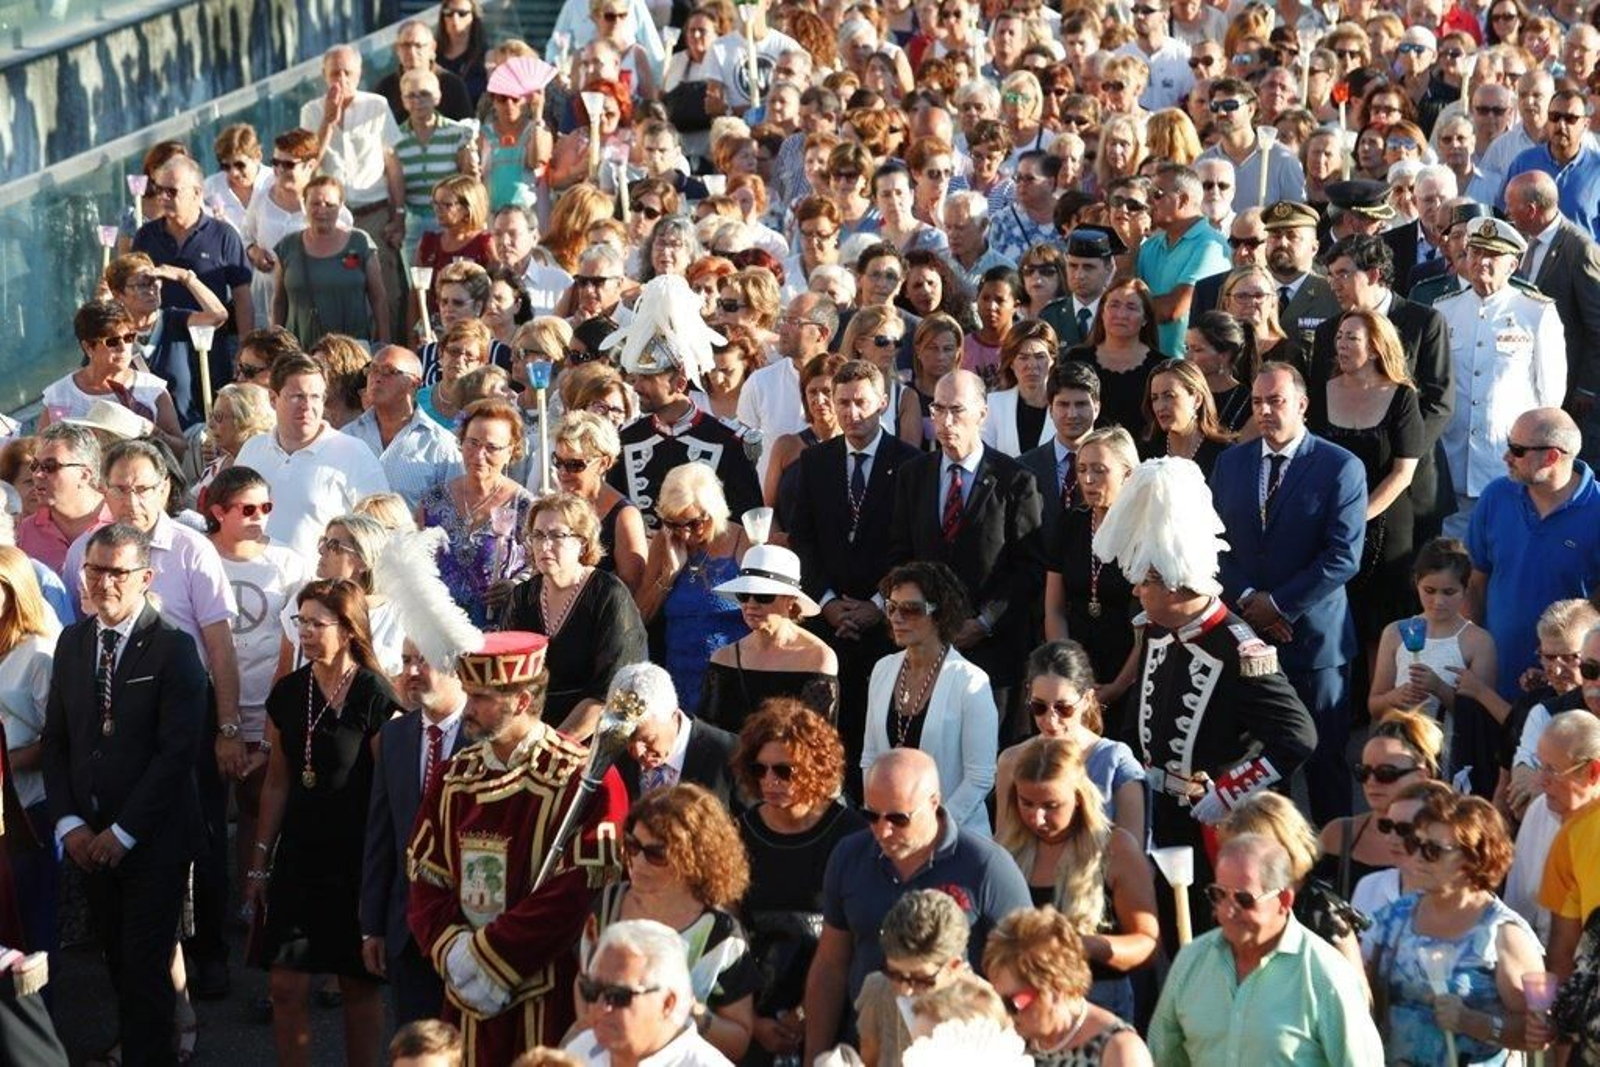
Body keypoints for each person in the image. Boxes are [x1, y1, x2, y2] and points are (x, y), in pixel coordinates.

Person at [406, 626, 627, 1064]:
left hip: (546, 989)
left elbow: (579, 891)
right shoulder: (455, 776)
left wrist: (493, 955)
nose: (467, 708)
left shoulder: (583, 778)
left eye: (482, 697)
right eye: (467, 693)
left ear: (522, 701)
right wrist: (455, 950)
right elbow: (425, 872)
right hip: (464, 985)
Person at [41, 524, 209, 1067]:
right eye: (95, 570)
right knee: (115, 962)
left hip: (152, 839)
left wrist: (122, 833)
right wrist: (72, 825)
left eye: (117, 572)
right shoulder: (73, 641)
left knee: (144, 969)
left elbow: (175, 756)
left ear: (145, 577)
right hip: (90, 839)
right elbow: (57, 742)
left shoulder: (175, 648)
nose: (104, 583)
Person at [245, 578, 400, 1064]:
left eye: (317, 623)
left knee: (359, 987)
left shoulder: (376, 696)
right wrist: (258, 861)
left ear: (349, 629)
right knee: (285, 985)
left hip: (357, 859)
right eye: (300, 621)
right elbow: (276, 783)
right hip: (300, 856)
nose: (305, 632)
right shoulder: (289, 693)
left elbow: (389, 792)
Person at [800, 749, 1032, 1062]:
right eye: (871, 815)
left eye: (898, 818)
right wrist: (814, 1055)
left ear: (934, 803)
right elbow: (830, 964)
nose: (883, 830)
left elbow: (1028, 973)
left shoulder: (986, 867)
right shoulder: (849, 855)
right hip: (870, 1044)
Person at [1210, 363, 1367, 824]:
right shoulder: (1232, 462)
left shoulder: (1340, 466)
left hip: (1316, 644)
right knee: (1261, 769)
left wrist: (1278, 605)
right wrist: (1248, 601)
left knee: (1325, 763)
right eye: (1257, 402)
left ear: (1301, 404)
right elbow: (1215, 544)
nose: (1264, 411)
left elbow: (1343, 555)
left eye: (1275, 401)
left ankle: (1335, 877)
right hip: (1249, 639)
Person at [785, 359, 921, 776]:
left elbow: (915, 545)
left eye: (861, 402)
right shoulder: (814, 462)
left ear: (882, 402)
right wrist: (825, 602)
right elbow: (801, 540)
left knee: (881, 735)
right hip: (828, 624)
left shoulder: (911, 463)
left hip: (886, 627)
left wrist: (879, 604)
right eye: (842, 402)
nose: (851, 412)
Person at [888, 370, 1044, 725]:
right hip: (926, 646)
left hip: (993, 654)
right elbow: (900, 555)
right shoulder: (913, 475)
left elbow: (1029, 569)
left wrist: (985, 621)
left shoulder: (1016, 481)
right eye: (937, 410)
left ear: (983, 415)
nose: (945, 422)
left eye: (956, 410)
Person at [1149, 834, 1385, 1065]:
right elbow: (1162, 1055)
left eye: (1244, 900)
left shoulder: (1326, 976)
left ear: (1283, 900)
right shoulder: (1192, 960)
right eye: (1218, 894)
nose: (1228, 911)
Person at [576, 783, 758, 1061]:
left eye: (656, 854)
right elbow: (582, 983)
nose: (637, 862)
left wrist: (688, 1012)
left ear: (693, 859)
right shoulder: (608, 904)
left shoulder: (722, 936)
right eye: (633, 846)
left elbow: (738, 1039)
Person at [1364, 791, 1548, 1063]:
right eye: (1415, 843)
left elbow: (1536, 1033)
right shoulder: (1395, 916)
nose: (1417, 857)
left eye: (1432, 851)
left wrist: (1471, 1021)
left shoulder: (1503, 933)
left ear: (1473, 858)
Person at [731, 702, 866, 1065]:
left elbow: (859, 936)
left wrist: (807, 1014)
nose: (770, 781)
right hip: (755, 1009)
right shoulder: (741, 834)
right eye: (760, 769)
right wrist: (752, 1022)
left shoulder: (851, 835)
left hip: (837, 1011)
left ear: (814, 768)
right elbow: (727, 935)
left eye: (785, 770)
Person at [996, 736, 1158, 1020]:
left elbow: (1147, 944)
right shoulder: (1005, 849)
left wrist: (1086, 945)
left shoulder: (1114, 849)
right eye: (1027, 803)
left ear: (1080, 798)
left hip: (1095, 1005)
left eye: (1051, 805)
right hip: (1019, 1007)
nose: (1037, 817)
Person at [361, 639, 470, 1028]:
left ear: (457, 666)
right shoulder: (394, 736)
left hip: (471, 935)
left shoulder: (487, 736)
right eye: (406, 661)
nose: (409, 672)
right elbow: (380, 835)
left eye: (422, 661)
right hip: (406, 932)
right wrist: (371, 925)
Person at [1437, 218, 1567, 536]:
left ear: (1513, 263)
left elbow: (1550, 398)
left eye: (1492, 255)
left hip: (1507, 462)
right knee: (1453, 567)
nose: (1481, 261)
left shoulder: (1536, 312)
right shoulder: (1444, 311)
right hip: (1452, 462)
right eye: (1475, 252)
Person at [1307, 309, 1426, 646]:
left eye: (1352, 338)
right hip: (1327, 522)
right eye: (1339, 337)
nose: (1341, 345)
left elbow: (1403, 473)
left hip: (1386, 524)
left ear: (1374, 347)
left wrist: (1356, 518)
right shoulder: (1320, 392)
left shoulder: (1402, 396)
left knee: (1382, 626)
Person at [606, 277, 762, 529]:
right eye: (635, 377)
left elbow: (745, 525)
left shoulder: (728, 442)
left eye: (647, 378)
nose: (635, 387)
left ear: (679, 380)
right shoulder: (627, 440)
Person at [861, 561, 998, 832]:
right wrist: (882, 818)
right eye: (891, 608)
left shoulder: (970, 681)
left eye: (911, 609)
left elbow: (980, 778)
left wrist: (932, 827)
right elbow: (870, 758)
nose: (897, 617)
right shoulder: (883, 669)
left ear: (940, 614)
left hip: (957, 839)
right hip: (890, 834)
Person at [498, 492, 647, 738]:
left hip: (596, 735)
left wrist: (554, 747)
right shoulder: (522, 597)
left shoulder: (608, 595)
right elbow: (505, 680)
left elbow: (612, 689)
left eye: (557, 536)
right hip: (529, 733)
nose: (544, 545)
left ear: (583, 543)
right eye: (537, 535)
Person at [235, 354, 390, 561]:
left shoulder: (355, 453)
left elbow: (381, 533)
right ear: (273, 399)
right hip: (256, 586)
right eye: (297, 396)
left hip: (320, 589)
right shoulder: (252, 450)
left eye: (315, 396)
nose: (307, 406)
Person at [133, 154, 254, 415]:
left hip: (211, 347)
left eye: (172, 191)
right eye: (159, 190)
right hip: (161, 349)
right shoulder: (146, 236)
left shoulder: (223, 236)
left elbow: (243, 298)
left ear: (197, 193)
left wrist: (244, 352)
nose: (163, 197)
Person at [300, 45, 405, 341]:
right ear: (324, 75)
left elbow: (392, 165)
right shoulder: (312, 111)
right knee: (338, 294)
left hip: (374, 212)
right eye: (335, 73)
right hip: (331, 217)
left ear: (359, 75)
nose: (342, 79)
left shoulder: (377, 106)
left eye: (348, 73)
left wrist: (398, 216)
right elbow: (309, 163)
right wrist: (328, 121)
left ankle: (387, 350)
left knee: (386, 293)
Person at [417, 398, 536, 628]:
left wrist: (517, 586)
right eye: (472, 443)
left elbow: (541, 565)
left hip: (497, 633)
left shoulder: (525, 507)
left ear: (511, 451)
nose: (479, 455)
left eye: (491, 447)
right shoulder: (433, 501)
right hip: (440, 629)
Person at [984, 906, 1154, 1066]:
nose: (1004, 1013)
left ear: (1056, 988)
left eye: (1013, 1004)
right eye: (997, 999)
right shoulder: (1010, 1040)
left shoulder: (1119, 1050)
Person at [1505, 171, 1600, 455]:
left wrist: (1588, 386)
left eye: (1511, 205)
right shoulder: (1522, 240)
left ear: (1531, 210)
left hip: (1570, 389)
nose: (1506, 210)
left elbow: (1598, 325)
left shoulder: (1579, 249)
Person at [1042, 427, 1140, 700]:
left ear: (1128, 474)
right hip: (1074, 668)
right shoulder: (1071, 523)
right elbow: (1054, 609)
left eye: (1099, 470)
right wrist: (1070, 672)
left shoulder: (1144, 531)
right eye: (1082, 469)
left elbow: (1151, 625)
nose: (1088, 479)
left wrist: (1118, 687)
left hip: (1128, 671)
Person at [698, 542, 838, 729]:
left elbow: (817, 741)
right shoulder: (724, 658)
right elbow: (707, 734)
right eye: (744, 595)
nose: (751, 604)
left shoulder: (817, 657)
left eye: (764, 596)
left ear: (790, 600)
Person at [564, 919, 734, 1067]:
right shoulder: (580, 1051)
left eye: (618, 996)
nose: (600, 1008)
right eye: (592, 991)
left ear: (667, 1003)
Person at [0, 546, 59, 962]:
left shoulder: (39, 653)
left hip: (26, 810)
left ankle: (37, 1021)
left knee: (30, 925)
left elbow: (58, 740)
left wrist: (7, 763)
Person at [102, 252, 231, 431]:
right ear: (118, 294)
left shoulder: (174, 320)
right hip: (134, 439)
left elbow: (218, 315)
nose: (151, 290)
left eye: (155, 281)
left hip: (184, 434)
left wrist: (185, 277)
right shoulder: (111, 336)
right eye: (141, 285)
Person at [40, 299, 185, 457]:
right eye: (113, 341)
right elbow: (41, 451)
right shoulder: (61, 396)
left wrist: (152, 431)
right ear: (88, 347)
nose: (123, 348)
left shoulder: (152, 390)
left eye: (129, 337)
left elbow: (180, 450)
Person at [853, 890, 974, 1067]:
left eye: (921, 980)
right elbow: (868, 1058)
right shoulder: (878, 989)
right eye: (894, 974)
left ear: (953, 966)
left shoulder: (980, 1012)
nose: (905, 990)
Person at [344, 346, 464, 510]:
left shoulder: (440, 445)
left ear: (414, 382)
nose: (377, 377)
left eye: (389, 371)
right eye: (373, 369)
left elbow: (455, 511)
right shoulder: (347, 436)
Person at [1136, 162, 1231, 358]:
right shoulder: (1150, 246)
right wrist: (1130, 243)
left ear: (1183, 199)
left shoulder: (1211, 246)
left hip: (1189, 369)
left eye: (1157, 194)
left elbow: (1174, 308)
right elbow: (1125, 292)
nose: (1149, 202)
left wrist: (1129, 308)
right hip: (1146, 363)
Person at [609, 663, 736, 806]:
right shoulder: (613, 756)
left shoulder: (729, 754)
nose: (638, 752)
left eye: (648, 739)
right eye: (628, 739)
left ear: (673, 714)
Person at [549, 412, 646, 594]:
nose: (562, 472)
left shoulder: (624, 516)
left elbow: (632, 589)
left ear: (604, 463)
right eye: (558, 461)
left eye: (574, 465)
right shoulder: (553, 507)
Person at [1062, 278, 1169, 433]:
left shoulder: (1161, 366)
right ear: (1102, 313)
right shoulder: (1076, 359)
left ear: (1145, 318)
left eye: (1131, 307)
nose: (1121, 314)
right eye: (1114, 305)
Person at [1194, 79, 1307, 213]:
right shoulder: (1203, 162)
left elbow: (1297, 218)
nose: (1221, 113)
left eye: (1230, 105)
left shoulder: (1283, 159)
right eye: (1215, 106)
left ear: (1250, 109)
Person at [18, 423, 113, 579]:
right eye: (35, 466)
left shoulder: (121, 517)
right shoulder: (23, 534)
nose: (37, 475)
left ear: (84, 475)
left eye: (50, 466)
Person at [1138, 358, 1234, 475]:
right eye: (1154, 398)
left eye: (1169, 396)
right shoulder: (1147, 453)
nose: (1160, 407)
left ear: (1197, 399)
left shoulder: (1225, 455)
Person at [981, 320, 1056, 458]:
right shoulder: (994, 404)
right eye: (1023, 358)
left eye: (1040, 357)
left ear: (1052, 360)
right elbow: (985, 457)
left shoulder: (1065, 405)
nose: (1032, 365)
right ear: (1011, 363)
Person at [1040, 227, 1123, 350]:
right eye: (1073, 266)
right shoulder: (1050, 316)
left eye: (1088, 267)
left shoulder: (1121, 315)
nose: (1079, 275)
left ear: (1109, 268)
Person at [374, 20, 474, 122]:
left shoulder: (452, 84)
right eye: (406, 45)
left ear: (432, 47)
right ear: (397, 49)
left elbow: (467, 128)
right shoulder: (385, 87)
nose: (412, 52)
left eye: (418, 46)